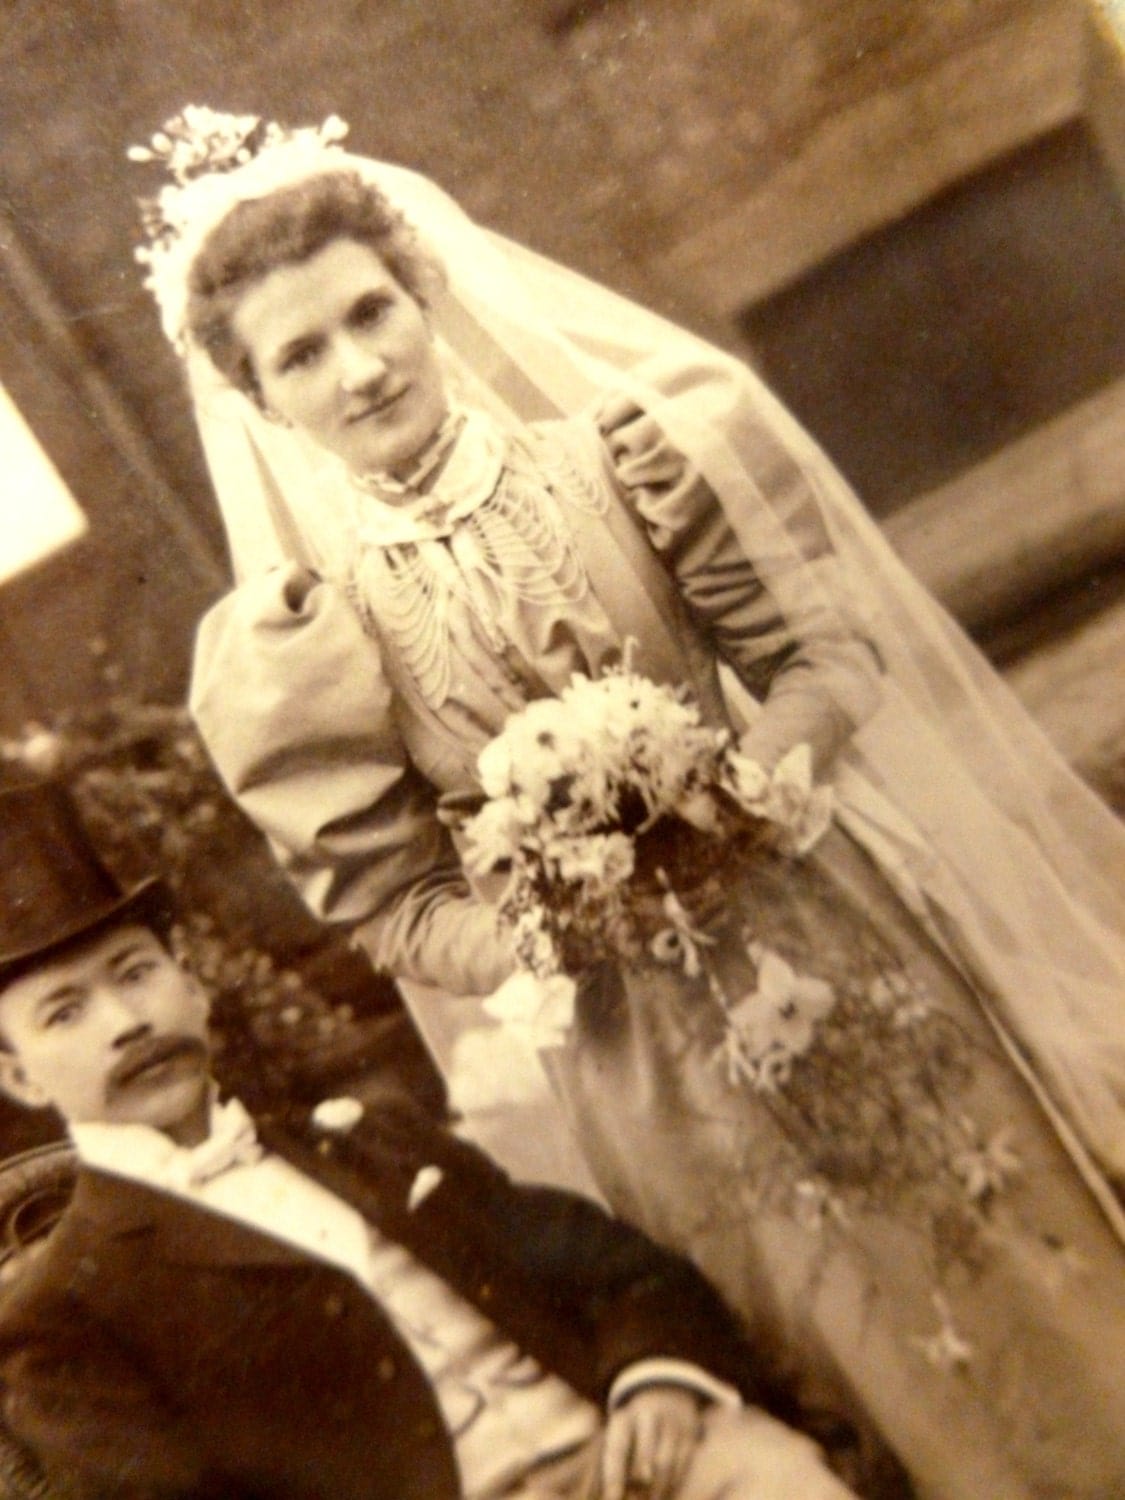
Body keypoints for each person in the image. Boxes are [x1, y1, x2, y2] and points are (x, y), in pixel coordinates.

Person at [131, 110, 1125, 1498]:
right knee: (844, 1353)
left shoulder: (630, 458)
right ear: (258, 400)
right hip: (642, 1054)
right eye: (302, 354)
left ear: (426, 297)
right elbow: (395, 906)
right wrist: (537, 931)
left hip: (834, 935)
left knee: (1025, 1255)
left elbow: (816, 658)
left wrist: (753, 781)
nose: (358, 371)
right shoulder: (303, 646)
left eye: (371, 313)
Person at [0, 781, 860, 1500]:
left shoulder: (369, 1141)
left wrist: (656, 1376)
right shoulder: (66, 1313)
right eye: (64, 1013)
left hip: (638, 1464)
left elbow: (619, 1269)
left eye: (136, 973)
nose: (125, 1023)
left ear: (190, 987)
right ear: (20, 1078)